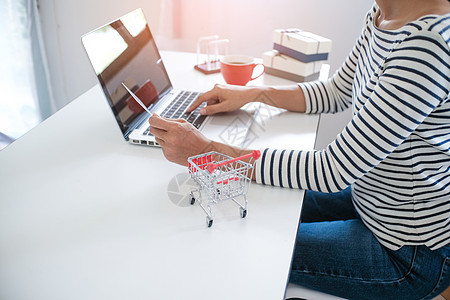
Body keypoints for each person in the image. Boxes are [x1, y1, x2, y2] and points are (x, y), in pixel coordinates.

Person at [149, 0, 450, 298]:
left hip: (406, 251)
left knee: (243, 240)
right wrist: (253, 93)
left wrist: (207, 151)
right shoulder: (382, 14)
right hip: (369, 199)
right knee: (246, 206)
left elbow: (331, 170)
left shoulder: (426, 48)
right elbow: (336, 92)